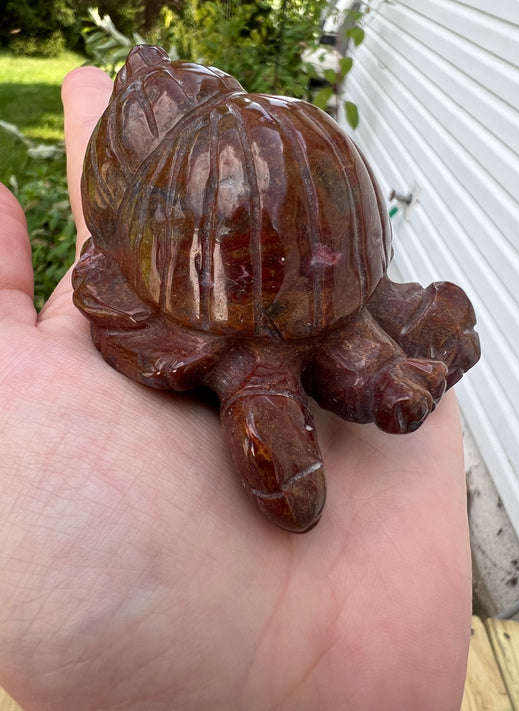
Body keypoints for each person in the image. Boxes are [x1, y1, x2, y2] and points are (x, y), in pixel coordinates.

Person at [0, 66, 472, 711]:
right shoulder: (255, 346)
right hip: (187, 221)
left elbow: (449, 321)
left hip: (299, 219)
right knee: (261, 378)